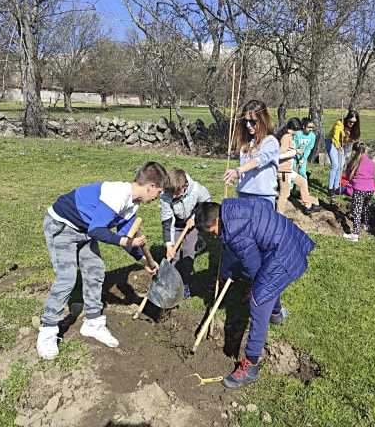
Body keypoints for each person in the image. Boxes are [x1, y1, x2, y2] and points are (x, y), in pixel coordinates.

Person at [36, 162, 169, 360]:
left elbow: (126, 236)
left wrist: (144, 261)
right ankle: (47, 330)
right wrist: (126, 240)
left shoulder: (132, 204)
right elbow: (98, 231)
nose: (157, 198)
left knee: (95, 271)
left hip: (84, 229)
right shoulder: (117, 195)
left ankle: (93, 323)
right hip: (62, 226)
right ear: (150, 186)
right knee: (67, 277)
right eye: (158, 193)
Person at [195, 199, 315, 389]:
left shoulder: (235, 232)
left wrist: (253, 289)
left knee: (259, 300)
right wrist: (226, 274)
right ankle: (276, 315)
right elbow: (235, 251)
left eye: (213, 232)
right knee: (269, 285)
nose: (215, 236)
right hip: (286, 237)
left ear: (216, 222)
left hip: (283, 253)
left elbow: (254, 266)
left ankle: (250, 365)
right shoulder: (233, 208)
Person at [160, 169, 211, 298]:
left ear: (184, 187)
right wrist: (169, 245)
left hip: (192, 224)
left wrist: (194, 218)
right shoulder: (166, 195)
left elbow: (206, 204)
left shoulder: (197, 189)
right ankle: (174, 284)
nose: (173, 197)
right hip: (176, 224)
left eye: (175, 194)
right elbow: (167, 222)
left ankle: (185, 283)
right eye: (170, 194)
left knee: (188, 252)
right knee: (174, 256)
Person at [223, 99, 280, 207]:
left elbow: (259, 160)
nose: (248, 125)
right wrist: (234, 176)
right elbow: (246, 169)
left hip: (263, 199)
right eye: (246, 121)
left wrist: (238, 171)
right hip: (243, 195)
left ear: (263, 120)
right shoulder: (246, 144)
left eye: (253, 121)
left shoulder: (271, 141)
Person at [276, 118, 320, 215]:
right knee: (285, 194)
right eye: (297, 130)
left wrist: (300, 156)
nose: (298, 132)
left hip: (289, 171)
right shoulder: (286, 138)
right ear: (291, 129)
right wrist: (295, 152)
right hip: (283, 172)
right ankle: (279, 214)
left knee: (303, 182)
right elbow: (279, 156)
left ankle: (308, 205)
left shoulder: (290, 136)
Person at [342, 142, 375, 242]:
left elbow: (348, 176)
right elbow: (373, 175)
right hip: (371, 189)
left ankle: (355, 234)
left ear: (354, 151)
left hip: (359, 189)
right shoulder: (371, 162)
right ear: (365, 151)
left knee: (357, 211)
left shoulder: (353, 162)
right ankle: (366, 225)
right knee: (366, 207)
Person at [326, 110, 361, 201]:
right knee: (335, 165)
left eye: (354, 122)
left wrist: (347, 140)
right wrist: (339, 147)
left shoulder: (353, 129)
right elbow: (335, 138)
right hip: (332, 143)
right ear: (347, 119)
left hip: (343, 145)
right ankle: (330, 189)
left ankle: (336, 186)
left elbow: (351, 141)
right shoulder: (339, 124)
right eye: (350, 121)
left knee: (341, 165)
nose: (352, 123)